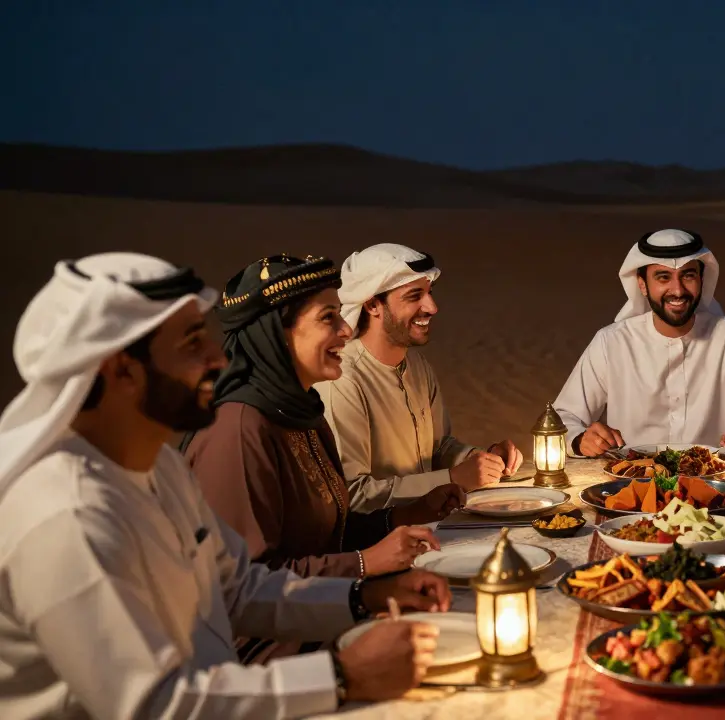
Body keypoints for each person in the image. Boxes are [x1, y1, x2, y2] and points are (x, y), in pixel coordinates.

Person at [0, 253, 453, 719]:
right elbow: (153, 706)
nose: (218, 358)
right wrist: (339, 677)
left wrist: (365, 596)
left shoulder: (158, 469)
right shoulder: (66, 515)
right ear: (122, 371)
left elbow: (235, 588)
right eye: (193, 343)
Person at [182, 254, 464, 662]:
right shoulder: (240, 430)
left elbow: (327, 534)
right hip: (265, 654)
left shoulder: (301, 414)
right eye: (328, 318)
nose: (346, 330)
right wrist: (366, 566)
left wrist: (402, 518)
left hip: (325, 611)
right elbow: (249, 589)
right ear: (277, 335)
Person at [316, 244, 522, 511]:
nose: (432, 307)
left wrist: (481, 459)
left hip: (432, 523)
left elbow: (437, 449)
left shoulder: (417, 365)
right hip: (379, 543)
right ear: (373, 305)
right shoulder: (343, 379)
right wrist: (452, 479)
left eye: (429, 294)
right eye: (415, 296)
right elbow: (353, 494)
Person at [553, 229, 725, 458]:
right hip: (632, 486)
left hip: (718, 489)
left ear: (701, 280)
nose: (677, 290)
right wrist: (580, 439)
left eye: (688, 276)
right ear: (642, 284)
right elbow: (563, 419)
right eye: (663, 277)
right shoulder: (611, 343)